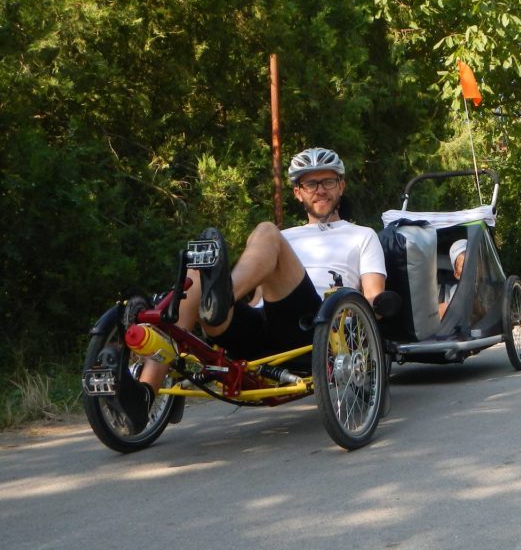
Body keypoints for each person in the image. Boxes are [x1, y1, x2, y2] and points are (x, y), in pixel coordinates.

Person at [114, 147, 386, 430]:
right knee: (198, 268)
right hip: (257, 332)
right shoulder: (285, 236)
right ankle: (145, 394)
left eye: (328, 181)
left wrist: (374, 317)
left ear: (341, 186)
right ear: (298, 193)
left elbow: (372, 296)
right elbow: (259, 295)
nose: (320, 190)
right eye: (310, 184)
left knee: (266, 231)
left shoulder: (362, 235)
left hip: (314, 327)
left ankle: (220, 299)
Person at [437, 239, 467, 318]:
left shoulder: (487, 288)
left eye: (472, 262)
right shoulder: (455, 291)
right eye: (463, 266)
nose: (469, 268)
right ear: (457, 274)